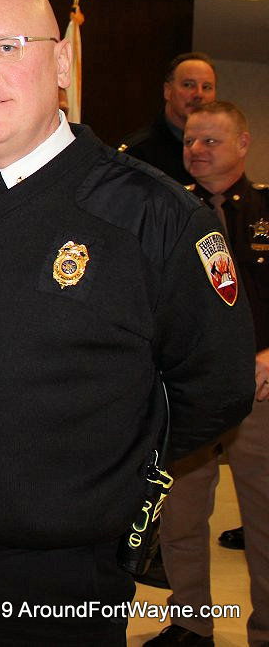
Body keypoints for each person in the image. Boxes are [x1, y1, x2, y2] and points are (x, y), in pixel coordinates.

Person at [0, 0, 253, 645]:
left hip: (59, 578)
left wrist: (107, 476)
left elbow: (216, 386)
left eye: (7, 46)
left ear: (63, 60)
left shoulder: (156, 217)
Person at [144, 101, 268, 647]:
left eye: (210, 141)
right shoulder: (167, 211)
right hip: (188, 394)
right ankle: (190, 626)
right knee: (181, 519)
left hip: (259, 391)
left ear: (242, 143)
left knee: (263, 521)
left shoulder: (265, 211)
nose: (196, 150)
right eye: (190, 141)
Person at [119, 53, 217, 186]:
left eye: (206, 87)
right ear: (168, 91)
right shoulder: (137, 154)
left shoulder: (223, 150)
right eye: (188, 85)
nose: (199, 94)